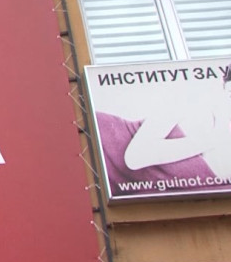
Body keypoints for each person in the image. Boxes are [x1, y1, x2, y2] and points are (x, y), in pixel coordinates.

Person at [96, 63, 231, 196]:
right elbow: (136, 157)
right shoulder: (194, 101)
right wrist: (214, 138)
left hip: (113, 192)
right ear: (223, 86)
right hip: (101, 144)